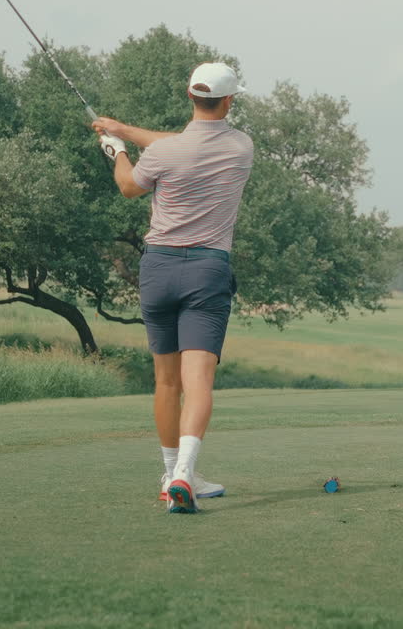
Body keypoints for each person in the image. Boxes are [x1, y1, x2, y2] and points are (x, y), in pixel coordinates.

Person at [92, 62, 253, 514]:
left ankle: (170, 477)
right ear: (228, 101)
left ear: (189, 95)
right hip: (207, 270)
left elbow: (129, 186)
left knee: (166, 381)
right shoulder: (241, 146)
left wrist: (117, 149)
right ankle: (185, 472)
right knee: (197, 380)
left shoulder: (164, 153)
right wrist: (123, 131)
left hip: (158, 269)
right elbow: (189, 142)